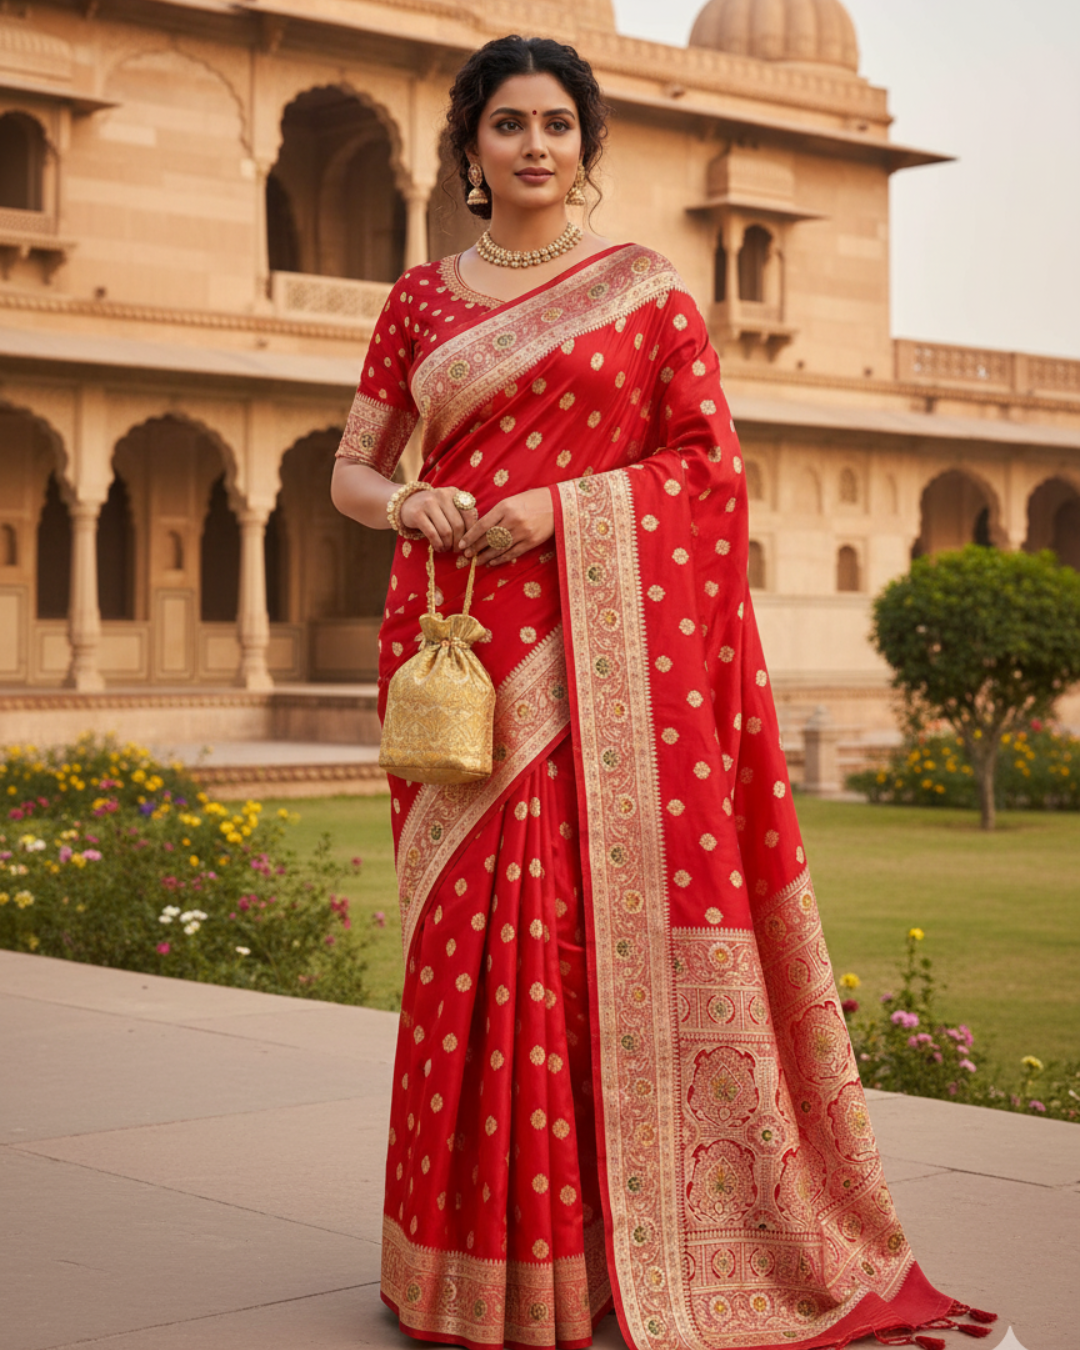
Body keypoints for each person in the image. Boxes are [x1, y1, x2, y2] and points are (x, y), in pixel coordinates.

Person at [330, 33, 994, 1350]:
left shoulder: (645, 295)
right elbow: (354, 468)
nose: (533, 145)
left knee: (577, 963)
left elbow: (707, 472)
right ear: (467, 146)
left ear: (585, 145)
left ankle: (590, 1265)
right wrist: (413, 497)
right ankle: (462, 1269)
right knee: (466, 960)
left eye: (558, 124)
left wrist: (556, 509)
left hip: (595, 671)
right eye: (508, 122)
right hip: (458, 662)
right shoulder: (417, 301)